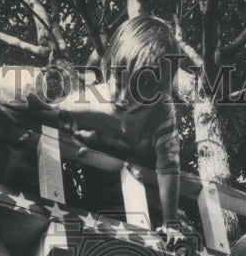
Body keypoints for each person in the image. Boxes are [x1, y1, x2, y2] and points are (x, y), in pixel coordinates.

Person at [58, 15, 182, 229]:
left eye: (138, 92)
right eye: (119, 82)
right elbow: (50, 117)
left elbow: (168, 167)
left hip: (150, 205)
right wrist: (74, 140)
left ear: (156, 93)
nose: (123, 97)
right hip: (99, 204)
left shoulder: (161, 111)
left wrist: (171, 223)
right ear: (110, 64)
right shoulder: (85, 102)